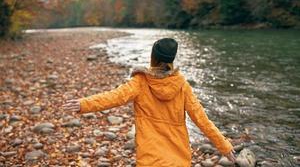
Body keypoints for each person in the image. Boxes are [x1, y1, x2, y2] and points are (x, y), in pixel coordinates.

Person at [63, 38, 236, 166]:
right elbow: (202, 120)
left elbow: (114, 97)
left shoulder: (141, 82)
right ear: (171, 60)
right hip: (178, 158)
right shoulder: (182, 86)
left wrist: (84, 104)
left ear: (153, 56)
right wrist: (224, 146)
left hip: (149, 157)